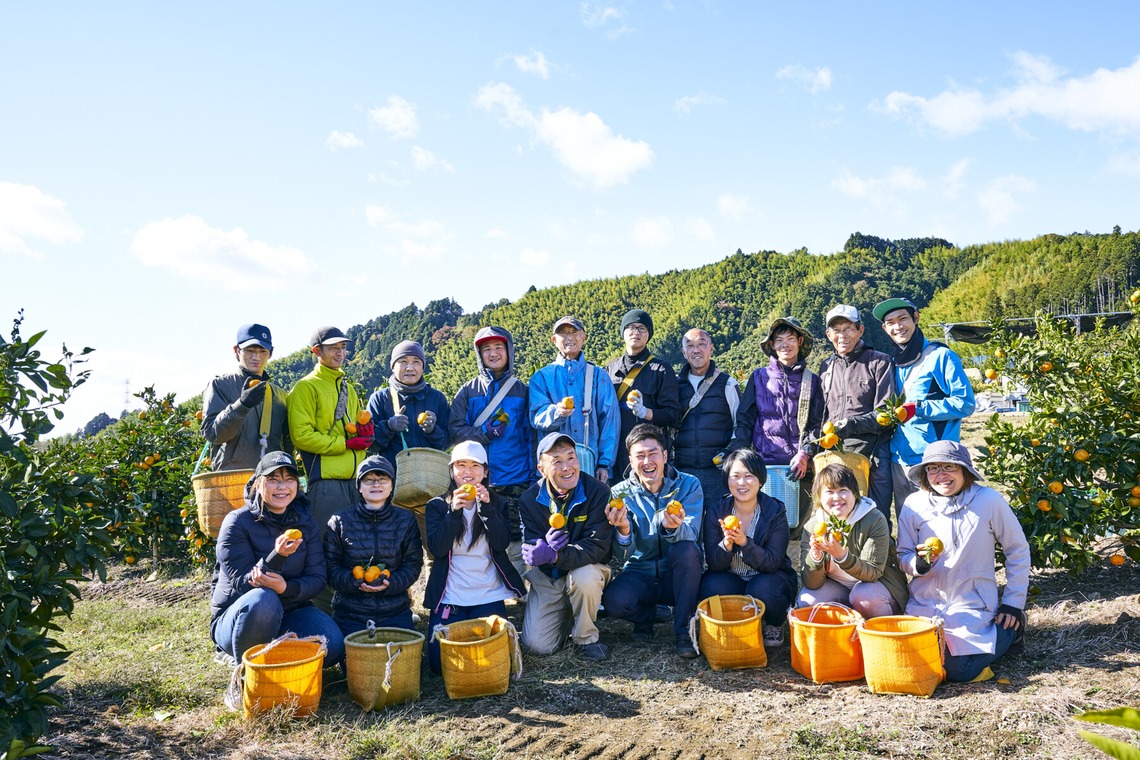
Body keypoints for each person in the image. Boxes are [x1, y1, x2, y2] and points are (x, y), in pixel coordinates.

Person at [897, 440, 1030, 683]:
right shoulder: (914, 505)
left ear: (964, 470)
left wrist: (1013, 603)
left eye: (949, 467)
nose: (941, 475)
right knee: (914, 661)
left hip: (971, 604)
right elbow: (903, 555)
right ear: (925, 474)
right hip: (924, 603)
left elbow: (1017, 549)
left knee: (957, 670)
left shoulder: (988, 500)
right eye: (933, 468)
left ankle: (1012, 631)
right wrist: (920, 564)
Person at [210, 451, 344, 666]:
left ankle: (276, 653)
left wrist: (286, 589)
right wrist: (277, 556)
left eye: (289, 479)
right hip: (240, 617)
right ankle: (245, 670)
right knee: (264, 600)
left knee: (334, 646)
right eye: (273, 479)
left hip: (291, 610)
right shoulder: (237, 523)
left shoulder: (305, 522)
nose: (282, 486)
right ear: (258, 483)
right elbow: (244, 585)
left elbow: (317, 578)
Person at [601, 424, 703, 659]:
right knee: (614, 601)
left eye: (653, 453)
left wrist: (671, 528)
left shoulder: (688, 485)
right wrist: (624, 530)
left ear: (665, 456)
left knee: (687, 550)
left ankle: (683, 632)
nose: (647, 462)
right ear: (630, 460)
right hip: (640, 573)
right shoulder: (619, 493)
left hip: (676, 575)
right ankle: (647, 616)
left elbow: (692, 532)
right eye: (640, 456)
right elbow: (622, 557)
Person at [423, 441, 525, 674]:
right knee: (439, 665)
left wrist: (487, 509)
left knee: (495, 659)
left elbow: (501, 543)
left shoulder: (498, 502)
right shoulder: (437, 506)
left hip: (487, 592)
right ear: (451, 471)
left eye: (475, 466)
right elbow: (437, 549)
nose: (468, 472)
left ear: (485, 471)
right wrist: (453, 513)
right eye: (461, 465)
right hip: (451, 594)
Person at [730, 317, 824, 567]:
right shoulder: (759, 377)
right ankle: (761, 577)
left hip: (800, 470)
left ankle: (795, 580)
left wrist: (806, 452)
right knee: (764, 523)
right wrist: (742, 458)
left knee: (798, 526)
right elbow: (745, 419)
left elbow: (817, 424)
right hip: (765, 468)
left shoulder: (811, 381)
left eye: (790, 339)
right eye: (779, 340)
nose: (785, 345)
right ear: (771, 345)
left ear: (800, 341)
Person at [872, 297, 976, 517]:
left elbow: (965, 404)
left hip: (935, 460)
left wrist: (918, 408)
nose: (898, 326)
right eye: (890, 322)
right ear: (884, 328)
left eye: (903, 319)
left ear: (916, 318)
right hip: (899, 460)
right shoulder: (893, 362)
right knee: (908, 525)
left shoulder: (941, 356)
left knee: (941, 525)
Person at [518, 432, 614, 660]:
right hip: (549, 577)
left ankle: (586, 638)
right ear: (542, 469)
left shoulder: (598, 492)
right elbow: (531, 543)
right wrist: (535, 550)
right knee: (537, 646)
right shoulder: (529, 500)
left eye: (571, 458)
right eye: (557, 461)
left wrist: (555, 556)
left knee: (584, 578)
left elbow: (597, 546)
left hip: (587, 568)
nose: (567, 467)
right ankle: (569, 614)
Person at [448, 326, 533, 581]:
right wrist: (484, 432)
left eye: (499, 347)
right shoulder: (468, 391)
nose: (494, 353)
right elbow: (454, 430)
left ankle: (515, 583)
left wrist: (532, 472)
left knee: (515, 534)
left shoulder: (521, 391)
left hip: (516, 475)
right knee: (478, 531)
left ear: (509, 350)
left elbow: (530, 434)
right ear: (479, 354)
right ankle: (484, 582)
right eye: (487, 349)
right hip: (477, 477)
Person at [699, 449, 796, 646]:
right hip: (732, 575)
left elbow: (772, 562)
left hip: (769, 577)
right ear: (727, 480)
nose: (741, 483)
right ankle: (731, 619)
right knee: (710, 587)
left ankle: (775, 622)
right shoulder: (717, 511)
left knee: (763, 589)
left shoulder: (775, 511)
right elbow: (713, 563)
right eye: (735, 477)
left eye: (749, 476)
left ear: (760, 481)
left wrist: (744, 543)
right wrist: (726, 545)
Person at [324, 455, 423, 640]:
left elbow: (413, 564)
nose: (376, 484)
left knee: (402, 665)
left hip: (394, 610)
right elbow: (331, 568)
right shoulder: (339, 521)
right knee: (355, 666)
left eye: (382, 479)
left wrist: (390, 583)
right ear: (359, 487)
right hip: (351, 613)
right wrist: (353, 582)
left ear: (392, 484)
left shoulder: (406, 519)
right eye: (369, 480)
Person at [287, 326, 373, 533]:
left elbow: (351, 428)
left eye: (342, 347)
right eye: (333, 348)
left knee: (356, 548)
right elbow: (301, 436)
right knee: (329, 546)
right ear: (316, 351)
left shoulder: (348, 389)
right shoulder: (305, 388)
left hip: (356, 482)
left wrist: (365, 433)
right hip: (327, 483)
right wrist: (345, 444)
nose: (340, 353)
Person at [367, 340, 451, 550]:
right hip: (393, 488)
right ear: (393, 366)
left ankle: (435, 583)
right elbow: (370, 444)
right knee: (393, 550)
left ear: (423, 366)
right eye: (403, 361)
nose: (410, 367)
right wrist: (388, 426)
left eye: (416, 361)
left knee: (435, 548)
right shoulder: (380, 399)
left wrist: (433, 431)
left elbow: (447, 441)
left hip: (430, 487)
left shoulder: (437, 398)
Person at [796, 463, 908, 619]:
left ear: (854, 494)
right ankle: (844, 634)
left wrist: (842, 557)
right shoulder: (813, 526)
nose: (837, 497)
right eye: (829, 491)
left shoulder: (873, 519)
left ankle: (882, 631)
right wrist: (816, 558)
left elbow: (873, 573)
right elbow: (812, 584)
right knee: (808, 599)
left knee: (864, 597)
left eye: (843, 490)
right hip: (839, 587)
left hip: (876, 587)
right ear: (819, 498)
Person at [818, 305, 895, 524]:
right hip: (837, 454)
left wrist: (850, 425)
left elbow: (886, 413)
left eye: (848, 328)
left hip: (874, 454)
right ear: (828, 335)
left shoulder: (879, 362)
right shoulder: (826, 366)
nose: (842, 335)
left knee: (876, 516)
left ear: (860, 330)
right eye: (836, 329)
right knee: (839, 517)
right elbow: (821, 412)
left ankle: (880, 558)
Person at [529, 316, 620, 483]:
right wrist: (557, 412)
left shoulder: (599, 376)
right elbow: (536, 417)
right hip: (553, 467)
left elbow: (609, 423)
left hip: (591, 466)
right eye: (563, 333)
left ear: (583, 337)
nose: (569, 337)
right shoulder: (541, 377)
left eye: (574, 332)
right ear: (554, 340)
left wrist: (604, 463)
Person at [605, 309, 681, 483]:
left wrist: (645, 412)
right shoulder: (610, 370)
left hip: (648, 455)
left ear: (649, 335)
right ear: (622, 333)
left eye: (642, 328)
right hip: (616, 453)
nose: (636, 332)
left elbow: (674, 415)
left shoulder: (661, 370)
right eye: (631, 327)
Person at [201, 323, 290, 470]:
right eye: (250, 351)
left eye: (263, 351)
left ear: (271, 353)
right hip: (233, 478)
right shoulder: (220, 385)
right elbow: (213, 434)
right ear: (237, 351)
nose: (256, 357)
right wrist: (242, 405)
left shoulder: (279, 395)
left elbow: (286, 443)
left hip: (270, 479)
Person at [673, 328, 740, 513]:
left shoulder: (727, 383)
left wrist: (728, 453)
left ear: (711, 348)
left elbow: (740, 425)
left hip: (717, 473)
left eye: (702, 344)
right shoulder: (673, 385)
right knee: (685, 529)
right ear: (684, 352)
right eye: (690, 345)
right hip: (682, 473)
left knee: (718, 529)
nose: (696, 350)